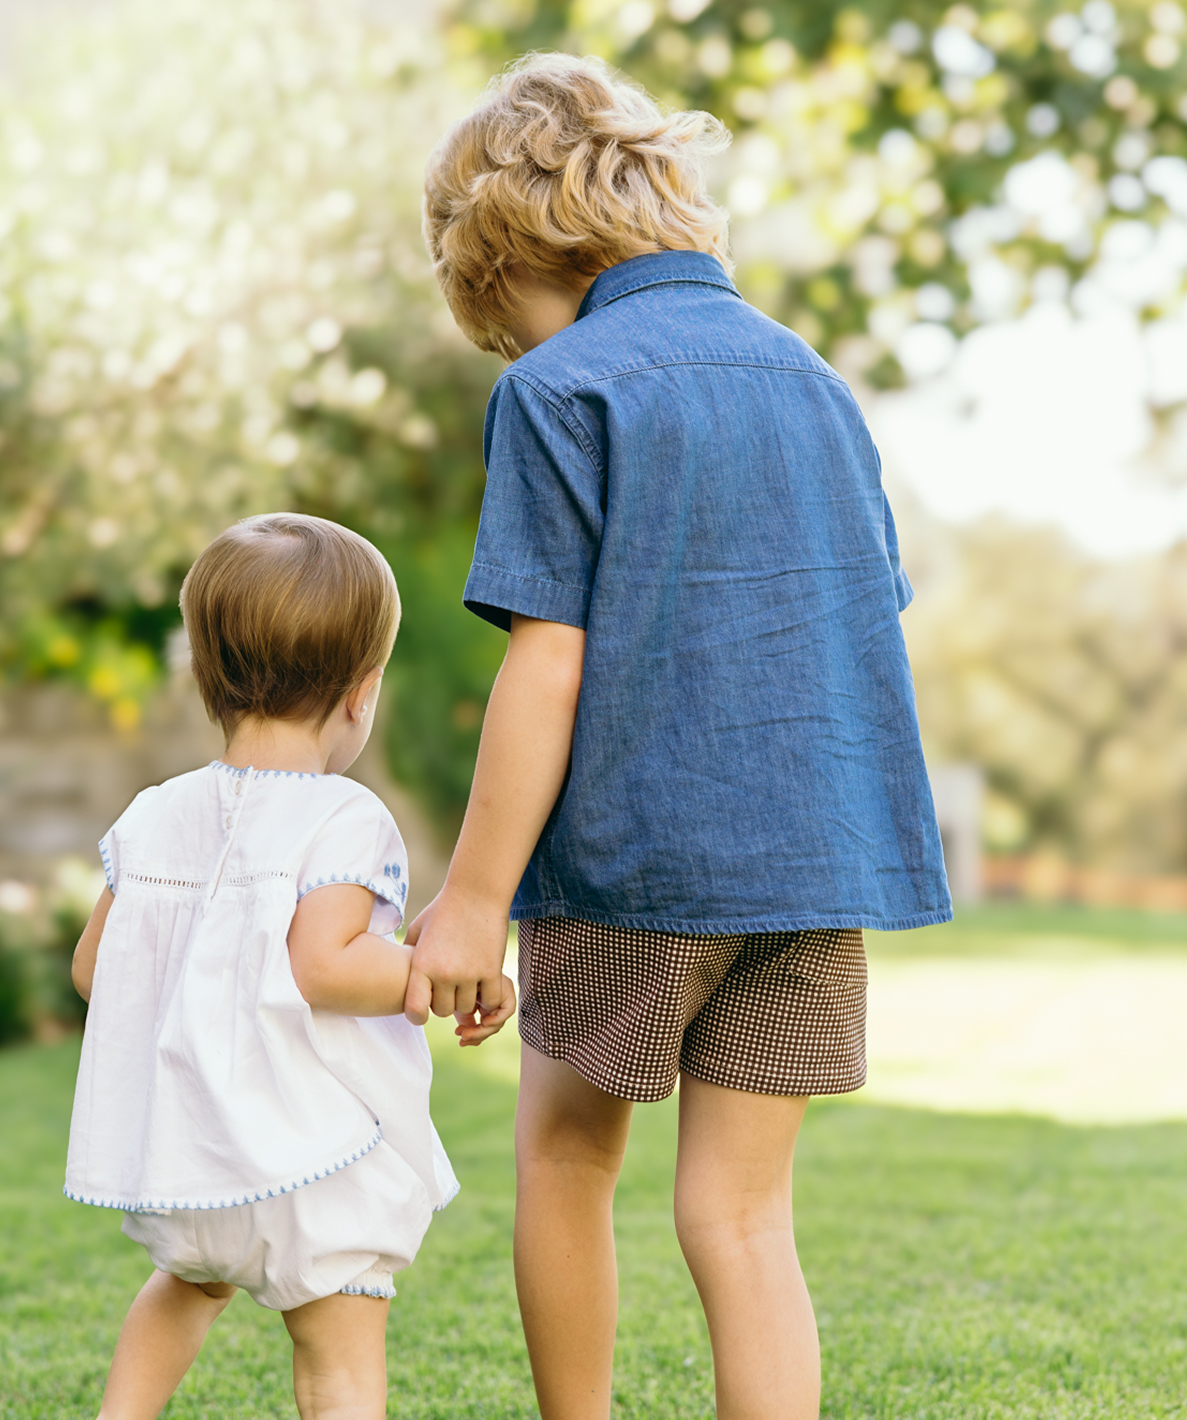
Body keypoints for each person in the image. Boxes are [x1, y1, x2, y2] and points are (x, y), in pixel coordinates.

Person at [411, 53, 952, 1420]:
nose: (515, 359)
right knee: (745, 1216)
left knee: (568, 1161)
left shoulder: (561, 390)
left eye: (507, 328)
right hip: (810, 871)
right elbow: (860, 615)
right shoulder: (817, 386)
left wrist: (474, 904)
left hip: (637, 863)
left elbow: (549, 663)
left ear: (507, 258)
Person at [64, 513, 515, 1420]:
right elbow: (326, 967)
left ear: (205, 677)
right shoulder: (343, 817)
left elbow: (91, 968)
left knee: (184, 1287)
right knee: (338, 1361)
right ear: (360, 693)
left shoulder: (157, 811)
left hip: (193, 1158)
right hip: (312, 1160)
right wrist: (435, 971)